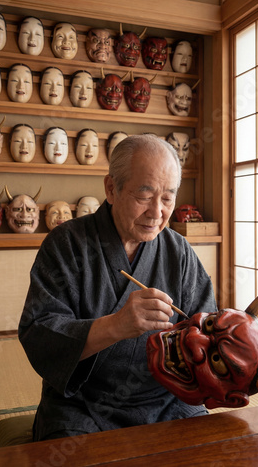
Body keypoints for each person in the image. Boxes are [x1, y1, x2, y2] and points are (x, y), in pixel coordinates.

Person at [18, 134, 216, 441]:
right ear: (111, 189)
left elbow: (205, 328)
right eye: (144, 195)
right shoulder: (66, 244)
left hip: (165, 399)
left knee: (212, 448)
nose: (157, 212)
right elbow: (39, 331)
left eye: (167, 198)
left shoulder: (179, 251)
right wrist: (117, 325)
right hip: (84, 404)